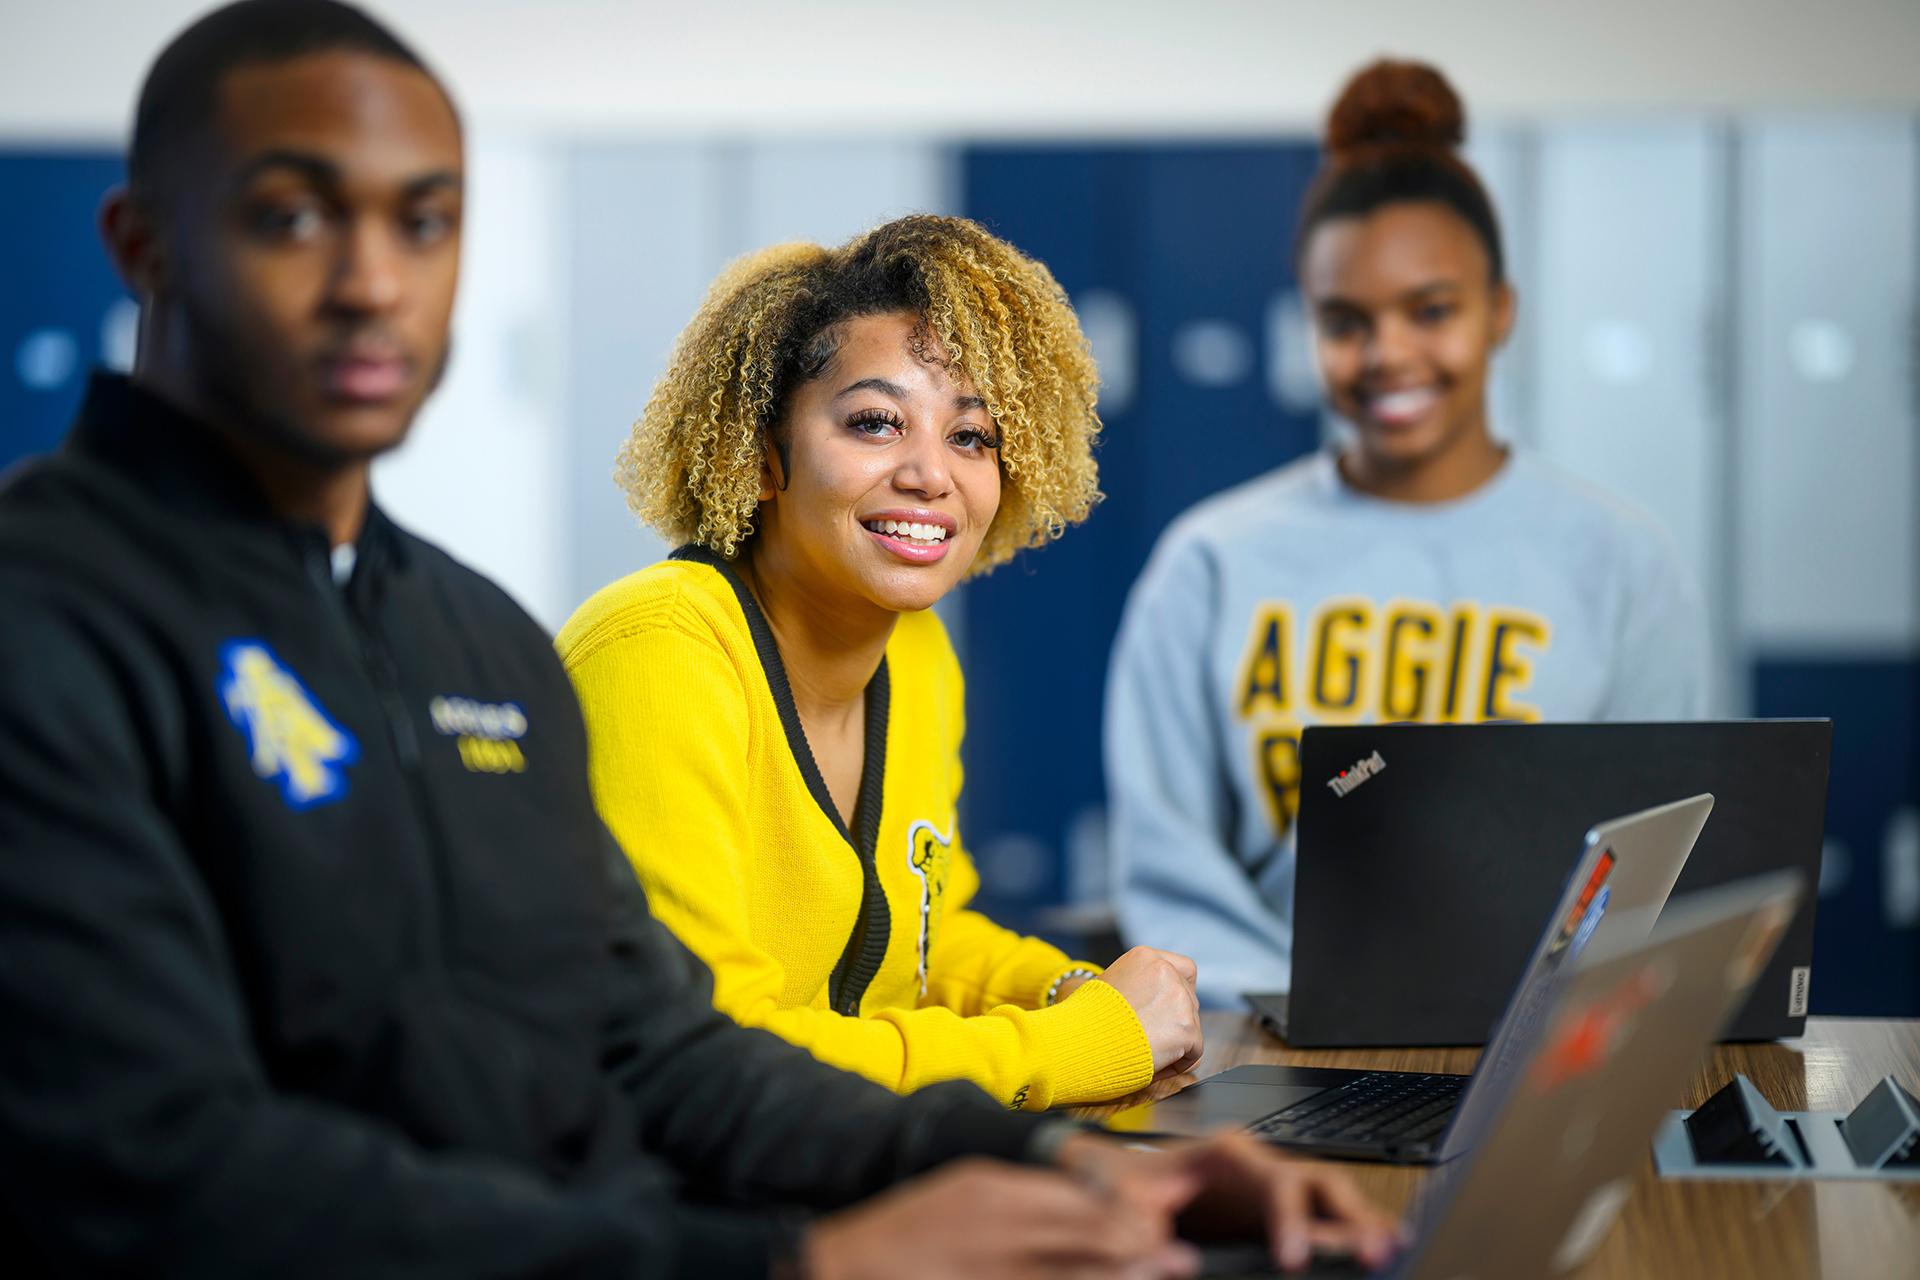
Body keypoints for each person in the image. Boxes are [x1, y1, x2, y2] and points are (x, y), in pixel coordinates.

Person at [0, 3, 1407, 1276]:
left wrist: (1067, 1168)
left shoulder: (467, 643)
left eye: (424, 221)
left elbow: (660, 1050)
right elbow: (162, 1174)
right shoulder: (46, 614)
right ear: (143, 244)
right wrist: (796, 1267)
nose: (374, 280)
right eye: (296, 217)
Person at [559, 217, 1204, 1112]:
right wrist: (1084, 1042)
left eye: (972, 436)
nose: (931, 475)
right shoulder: (659, 651)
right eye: (874, 423)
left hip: (855, 1156)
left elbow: (928, 946)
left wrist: (1081, 991)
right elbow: (712, 1051)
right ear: (760, 459)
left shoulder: (919, 653)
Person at [1106, 59, 1710, 1009]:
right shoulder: (1211, 563)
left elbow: (1663, 854)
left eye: (1432, 310)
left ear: (1499, 311)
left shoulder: (1620, 561)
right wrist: (1293, 1007)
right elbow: (1172, 868)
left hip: (1539, 1041)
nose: (1389, 355)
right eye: (1346, 322)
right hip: (1268, 1041)